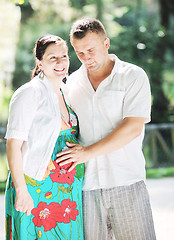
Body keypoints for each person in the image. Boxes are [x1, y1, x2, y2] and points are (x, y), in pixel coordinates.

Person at [56, 18, 157, 240]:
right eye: (79, 52)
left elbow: (133, 127)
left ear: (106, 43)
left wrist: (87, 152)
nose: (86, 58)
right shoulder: (71, 84)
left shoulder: (133, 76)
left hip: (127, 182)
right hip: (86, 189)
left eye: (91, 50)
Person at [5, 34, 84, 240]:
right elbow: (13, 144)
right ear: (39, 62)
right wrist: (21, 191)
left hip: (67, 188)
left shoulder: (67, 91)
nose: (61, 62)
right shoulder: (29, 93)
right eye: (52, 58)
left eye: (64, 56)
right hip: (35, 184)